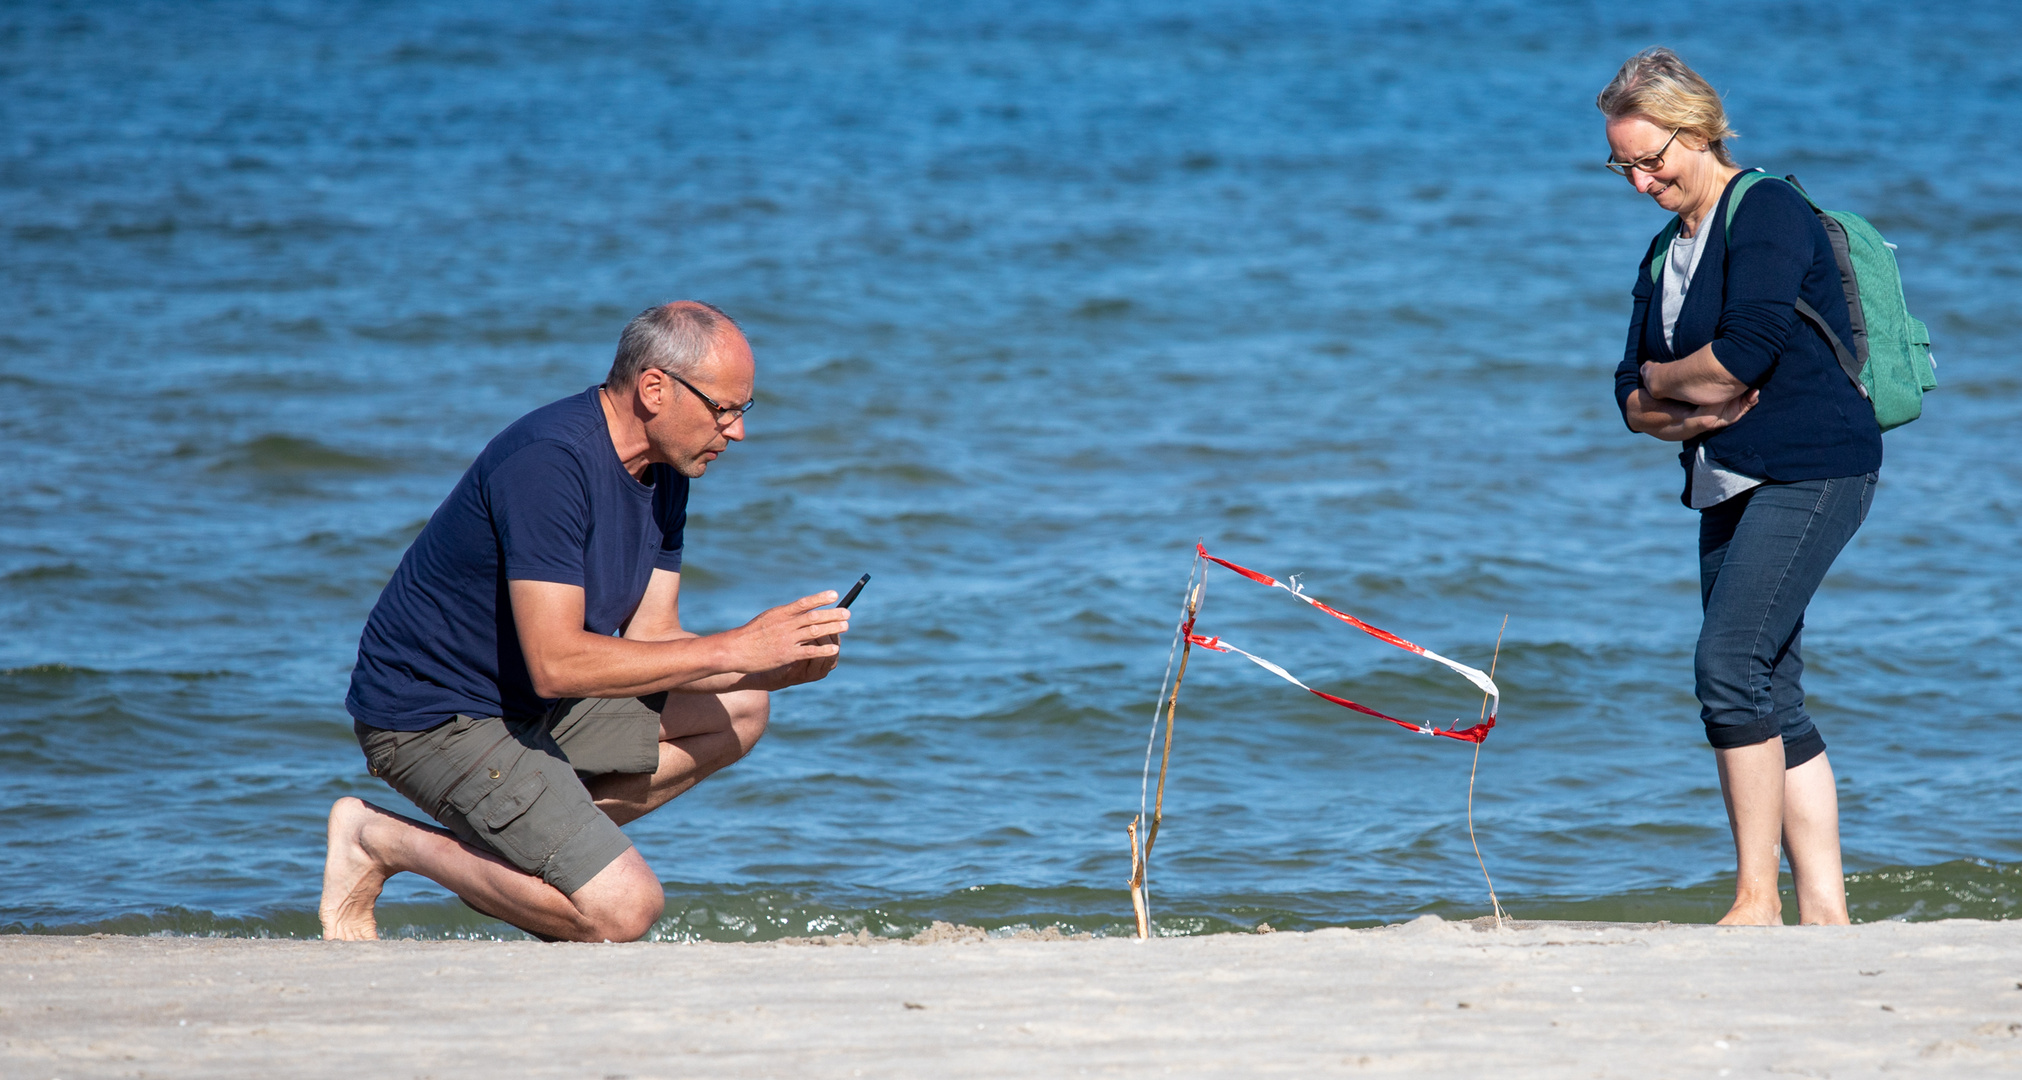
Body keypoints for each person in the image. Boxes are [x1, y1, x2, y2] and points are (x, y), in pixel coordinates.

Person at [320, 301, 851, 942]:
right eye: (724, 409)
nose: (736, 432)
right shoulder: (550, 462)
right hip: (432, 716)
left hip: (536, 707)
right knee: (623, 912)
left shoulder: (666, 471)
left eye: (744, 410)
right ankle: (379, 841)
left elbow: (654, 637)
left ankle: (541, 847)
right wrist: (734, 646)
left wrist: (770, 666)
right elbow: (557, 663)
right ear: (655, 388)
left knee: (743, 707)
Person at [1598, 49, 1880, 926]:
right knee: (1770, 688)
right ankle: (1826, 915)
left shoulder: (1767, 211)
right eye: (1623, 165)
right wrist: (1676, 396)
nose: (1641, 182)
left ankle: (1756, 899)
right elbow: (1626, 390)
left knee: (1729, 668)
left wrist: (1672, 384)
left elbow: (1743, 360)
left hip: (1813, 465)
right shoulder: (1663, 250)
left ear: (1700, 131)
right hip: (1723, 478)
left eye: (1652, 160)